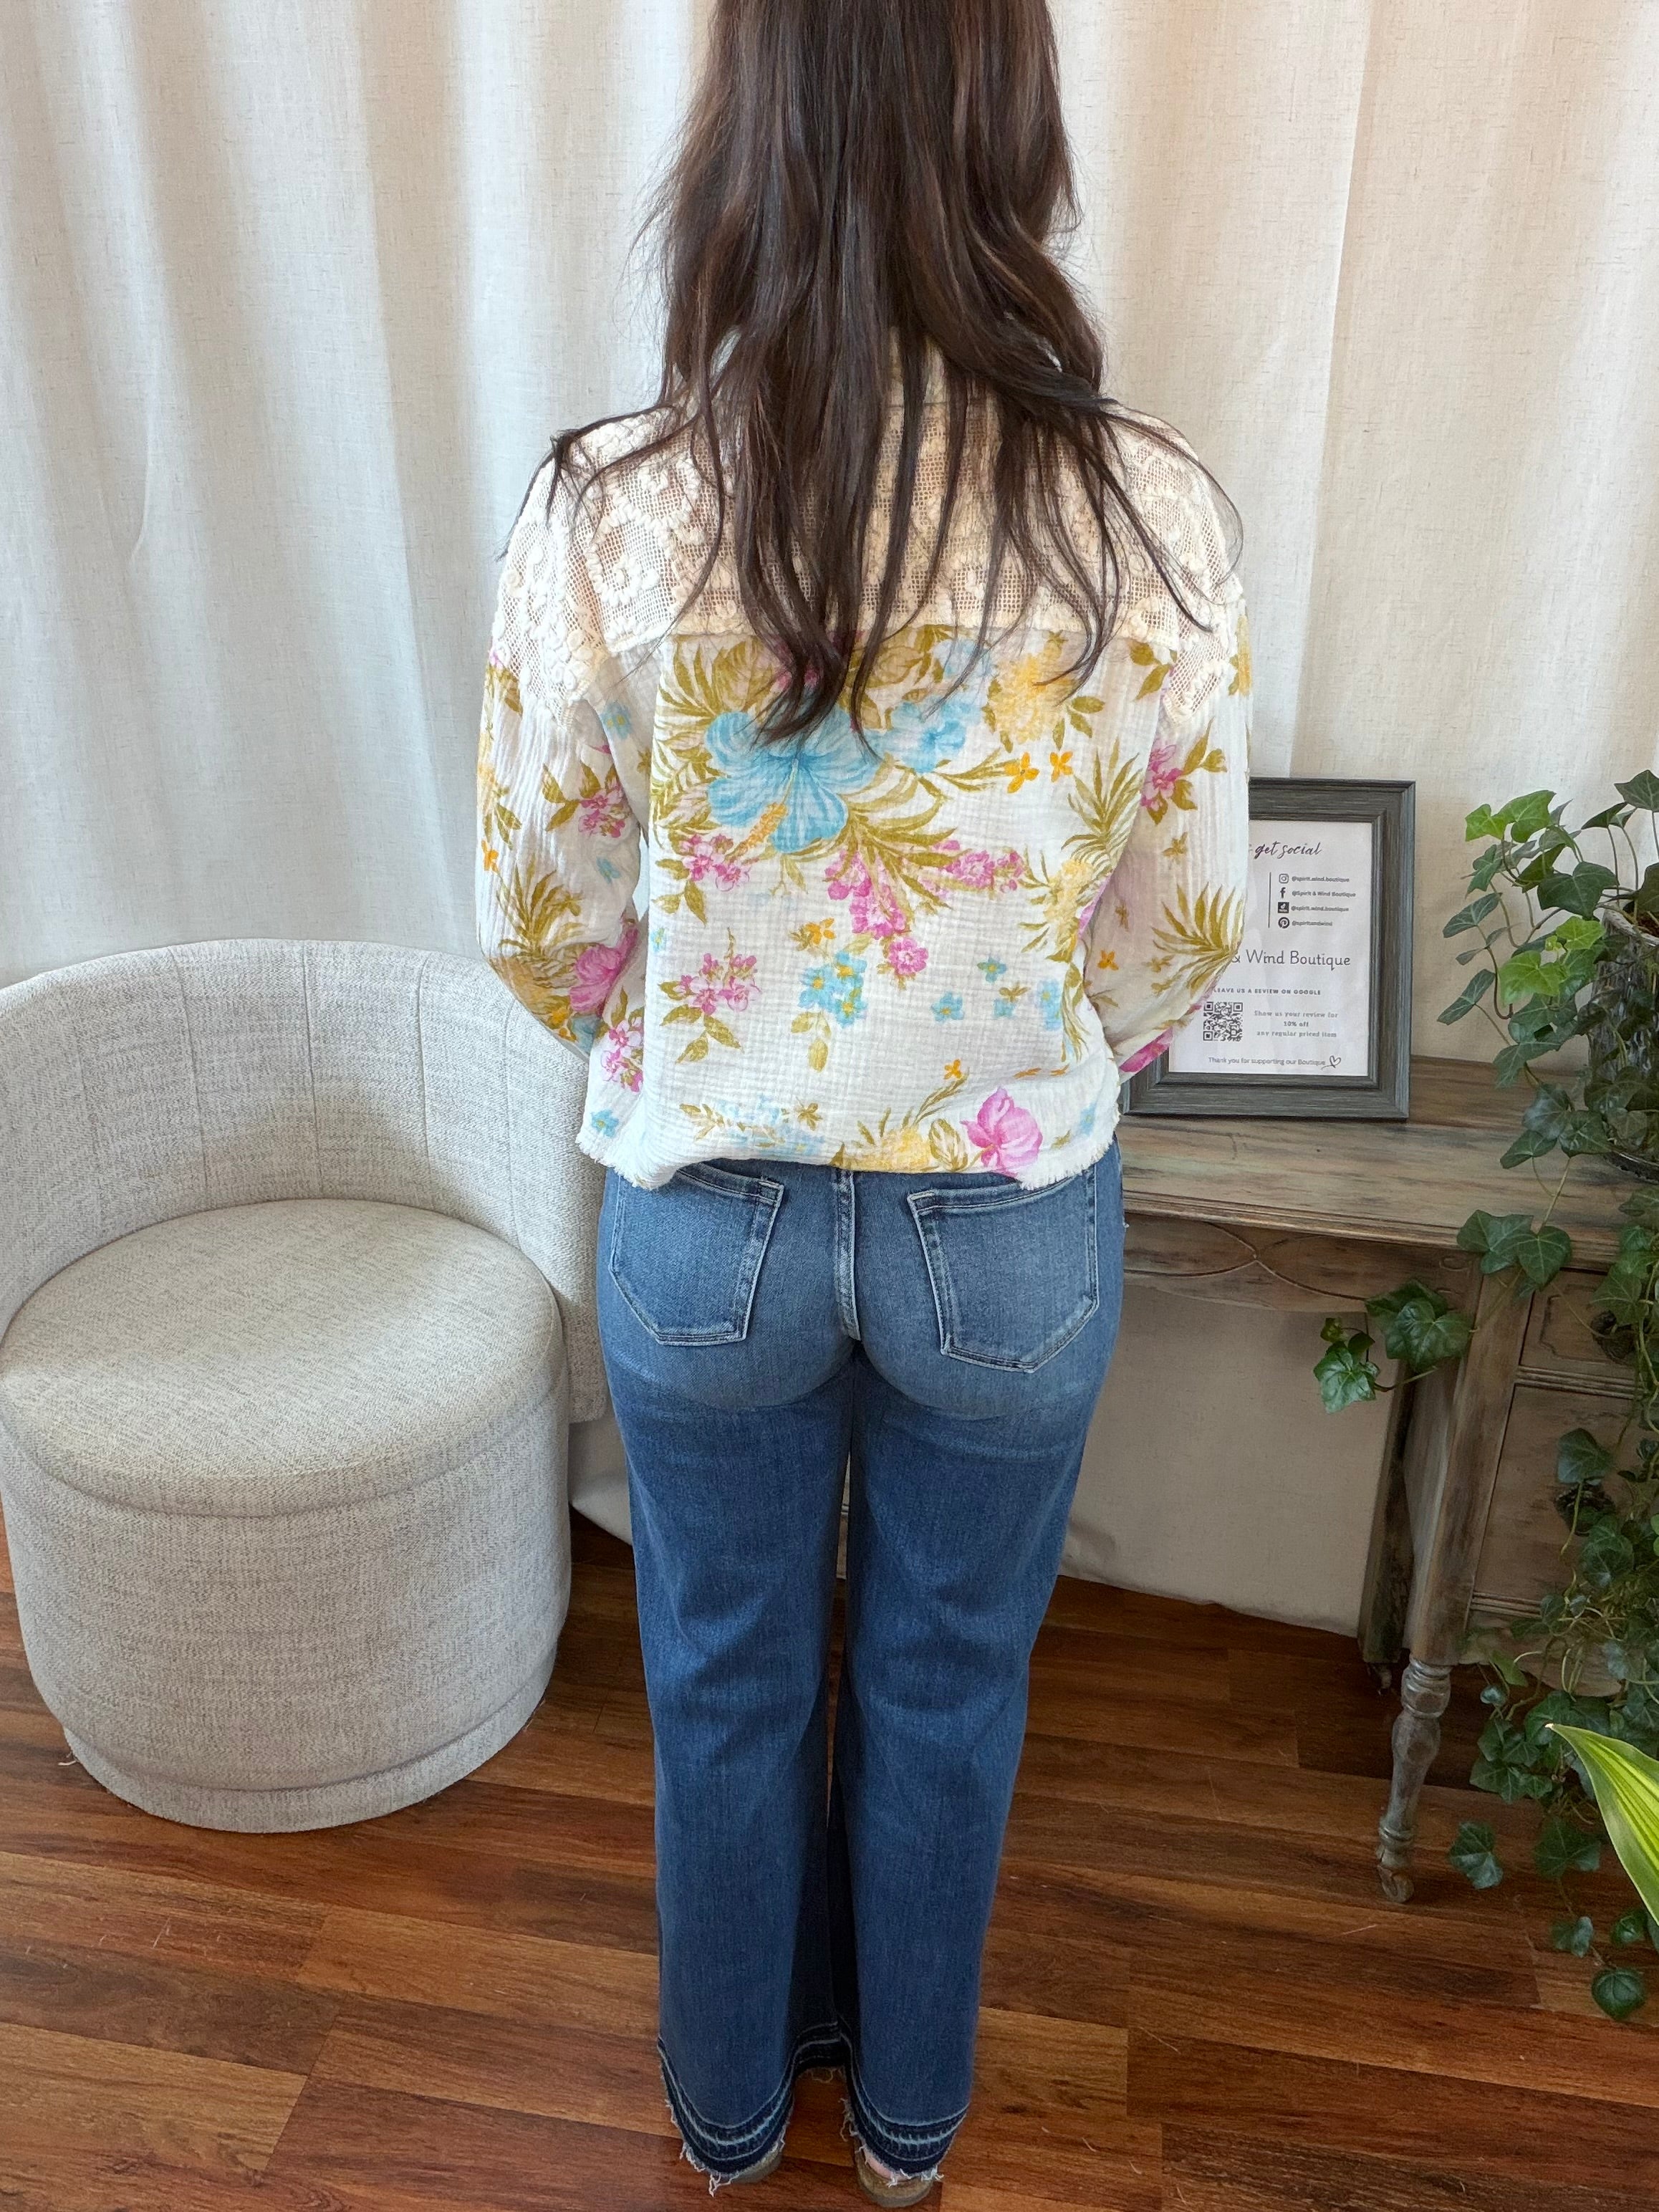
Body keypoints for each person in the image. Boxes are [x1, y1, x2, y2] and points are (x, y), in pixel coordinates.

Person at [478, 1, 1249, 2196]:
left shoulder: (611, 508)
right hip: (1005, 1224)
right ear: (1007, 124)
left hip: (703, 1210)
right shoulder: (1145, 514)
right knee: (943, 1688)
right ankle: (905, 2128)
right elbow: (1179, 936)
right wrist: (1008, 1045)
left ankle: (728, 2122)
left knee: (719, 1682)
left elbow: (541, 920)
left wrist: (702, 1033)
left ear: (742, 129)